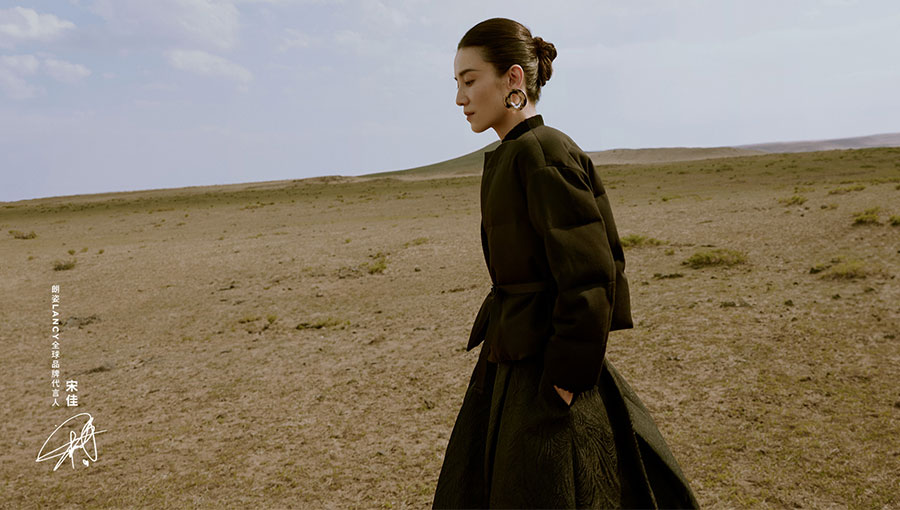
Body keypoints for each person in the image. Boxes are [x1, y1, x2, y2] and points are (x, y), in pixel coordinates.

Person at [432, 18, 700, 509]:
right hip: (516, 356)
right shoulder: (516, 152)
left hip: (547, 370)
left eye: (469, 80)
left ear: (513, 78)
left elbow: (591, 272)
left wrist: (566, 381)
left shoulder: (544, 152)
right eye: (457, 83)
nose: (459, 98)